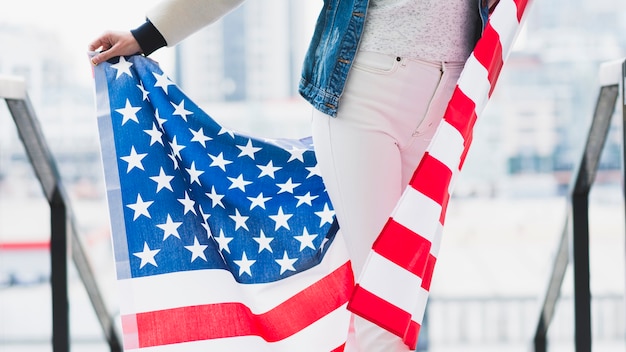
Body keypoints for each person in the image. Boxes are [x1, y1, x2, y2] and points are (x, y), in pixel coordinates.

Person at [89, 0, 499, 350]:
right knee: (386, 306)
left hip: (451, 99)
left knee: (399, 304)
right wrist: (148, 34)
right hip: (365, 88)